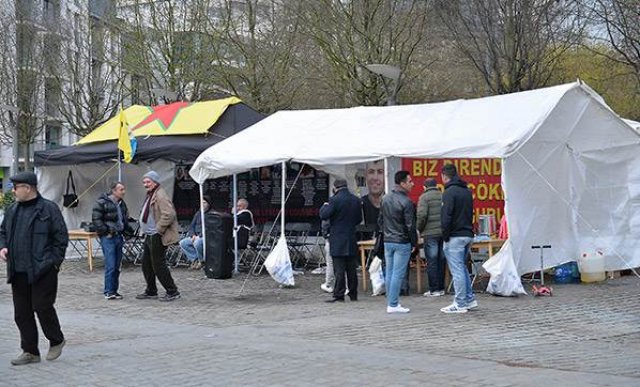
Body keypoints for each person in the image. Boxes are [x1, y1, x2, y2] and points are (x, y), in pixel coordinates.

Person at [0, 172, 68, 365]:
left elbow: (61, 238)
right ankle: (30, 351)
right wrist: (3, 247)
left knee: (42, 307)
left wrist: (54, 263)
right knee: (21, 313)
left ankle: (56, 340)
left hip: (43, 270)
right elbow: (3, 232)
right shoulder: (12, 210)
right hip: (18, 270)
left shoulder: (48, 209)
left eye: (16, 187)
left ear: (28, 188)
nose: (13, 191)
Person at [136, 171, 181, 302]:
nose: (145, 184)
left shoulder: (160, 195)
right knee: (146, 264)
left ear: (155, 182)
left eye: (148, 182)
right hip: (149, 234)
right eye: (144, 182)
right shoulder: (152, 194)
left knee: (158, 264)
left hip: (156, 235)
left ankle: (172, 291)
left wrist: (159, 229)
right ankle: (151, 290)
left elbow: (169, 214)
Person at [440, 164, 476, 314]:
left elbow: (446, 216)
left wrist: (445, 235)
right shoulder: (467, 191)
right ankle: (469, 299)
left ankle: (460, 303)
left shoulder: (448, 192)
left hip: (454, 236)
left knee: (457, 270)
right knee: (462, 268)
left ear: (444, 176)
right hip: (467, 233)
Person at [379, 170, 416, 313]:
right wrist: (414, 243)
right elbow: (410, 225)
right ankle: (393, 304)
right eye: (410, 181)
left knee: (389, 272)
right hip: (401, 241)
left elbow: (380, 220)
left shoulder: (385, 198)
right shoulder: (407, 202)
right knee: (397, 273)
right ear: (402, 183)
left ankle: (391, 301)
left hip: (388, 240)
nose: (412, 184)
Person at [319, 178, 362, 302]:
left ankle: (339, 294)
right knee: (351, 268)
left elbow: (324, 215)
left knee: (339, 269)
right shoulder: (356, 200)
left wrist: (325, 206)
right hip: (351, 236)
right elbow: (359, 219)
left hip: (337, 238)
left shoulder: (334, 200)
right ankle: (353, 294)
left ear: (335, 188)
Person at [92, 182, 134, 300]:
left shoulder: (121, 204)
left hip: (118, 237)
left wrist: (128, 232)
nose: (123, 191)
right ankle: (108, 291)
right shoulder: (102, 203)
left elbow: (124, 220)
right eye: (121, 189)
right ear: (114, 191)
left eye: (124, 189)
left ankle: (114, 290)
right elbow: (96, 220)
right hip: (109, 237)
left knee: (117, 265)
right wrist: (106, 231)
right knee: (110, 264)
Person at [416, 178, 445, 297]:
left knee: (432, 261)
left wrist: (418, 229)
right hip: (443, 233)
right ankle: (442, 288)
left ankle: (434, 289)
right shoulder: (442, 195)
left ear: (424, 187)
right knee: (441, 261)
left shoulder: (424, 197)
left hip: (430, 234)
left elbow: (422, 215)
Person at [179, 196, 212, 270]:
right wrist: (193, 235)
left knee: (197, 242)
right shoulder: (198, 213)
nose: (202, 204)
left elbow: (208, 228)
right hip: (195, 236)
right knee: (183, 243)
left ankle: (201, 261)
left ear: (208, 204)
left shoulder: (211, 214)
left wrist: (199, 236)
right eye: (201, 203)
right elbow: (192, 226)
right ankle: (195, 259)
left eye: (204, 203)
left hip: (205, 236)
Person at [361, 160, 385, 227]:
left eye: (380, 172)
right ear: (366, 175)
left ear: (386, 176)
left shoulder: (392, 204)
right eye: (371, 172)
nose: (375, 177)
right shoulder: (360, 204)